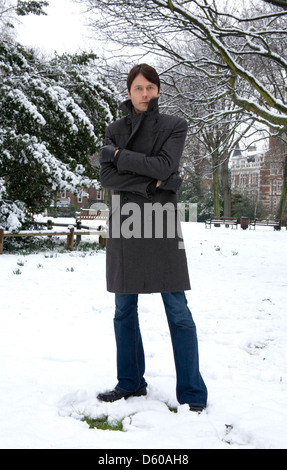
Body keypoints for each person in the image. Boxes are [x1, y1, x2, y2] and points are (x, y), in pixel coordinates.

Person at [97, 64, 207, 412]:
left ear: (158, 91)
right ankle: (130, 382)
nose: (144, 94)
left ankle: (192, 394)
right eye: (138, 88)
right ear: (129, 92)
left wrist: (117, 156)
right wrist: (148, 184)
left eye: (150, 88)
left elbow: (164, 166)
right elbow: (109, 179)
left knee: (177, 311)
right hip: (125, 226)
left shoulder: (175, 126)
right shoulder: (114, 129)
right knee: (123, 311)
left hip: (160, 225)